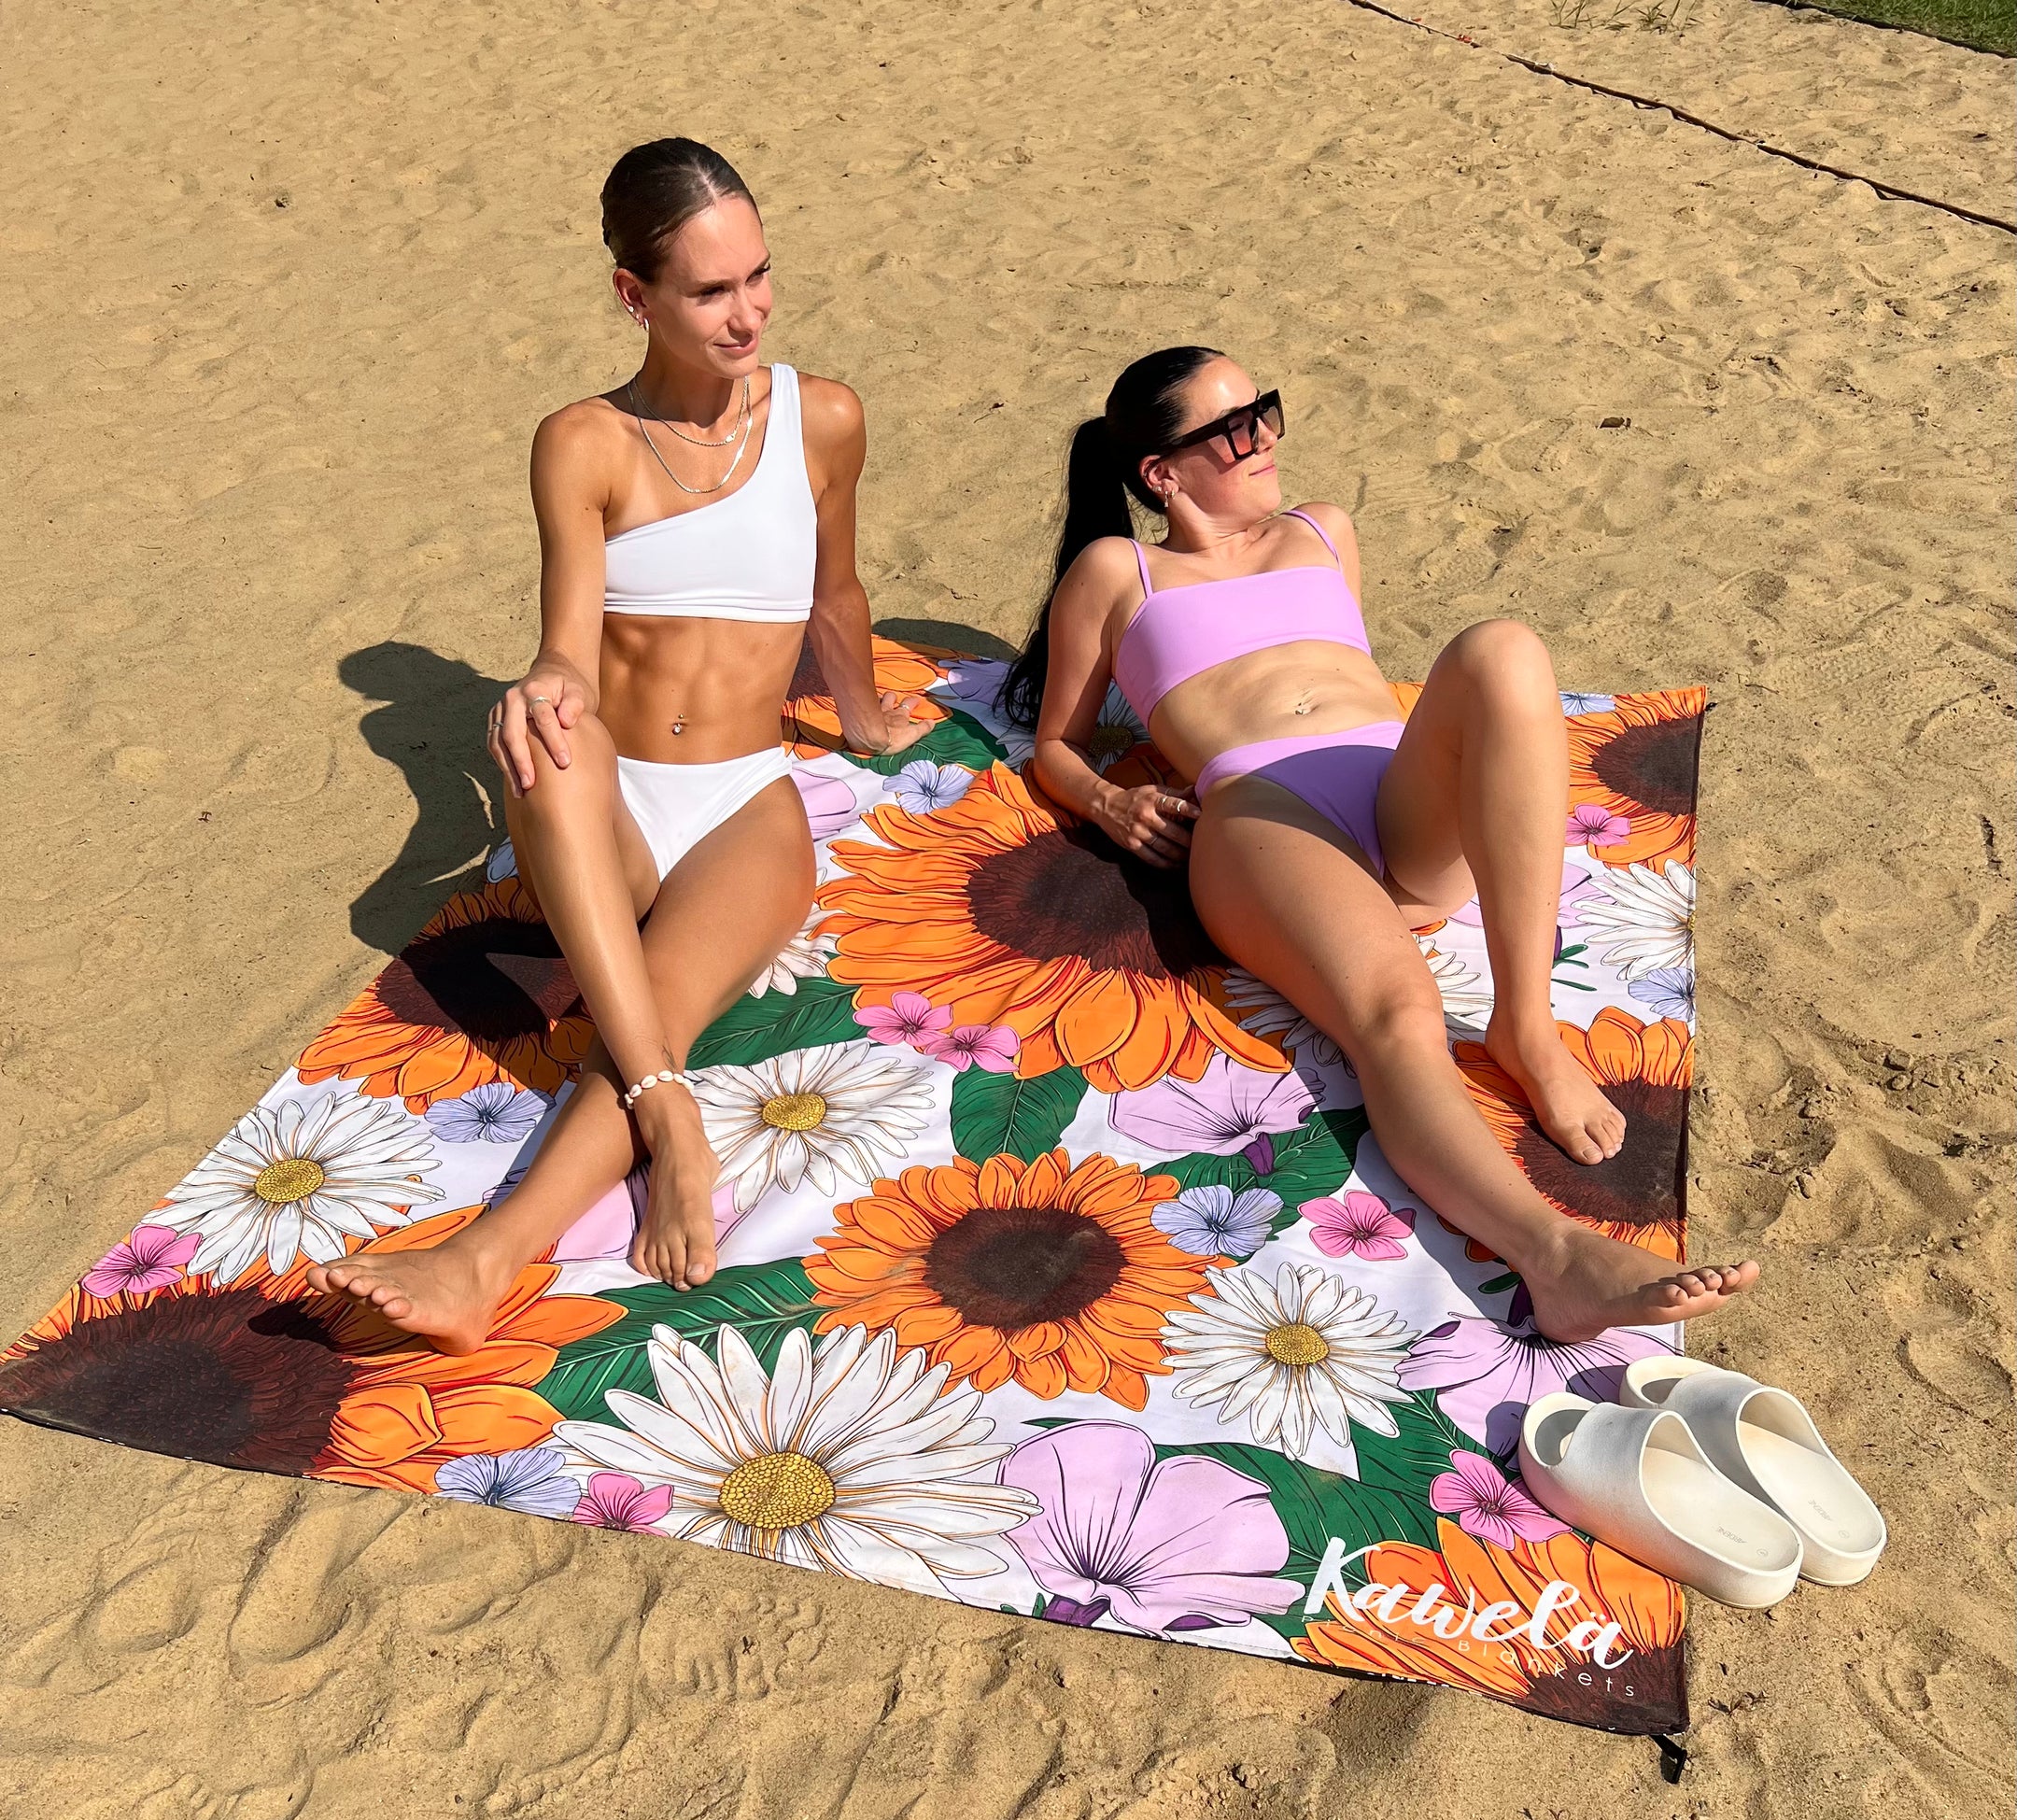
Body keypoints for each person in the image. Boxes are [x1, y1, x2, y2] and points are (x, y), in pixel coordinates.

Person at [309, 138, 929, 1351]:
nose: (748, 314)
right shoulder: (584, 441)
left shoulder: (823, 421)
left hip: (743, 802)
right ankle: (673, 1123)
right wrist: (542, 686)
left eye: (758, 276)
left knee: (655, 1004)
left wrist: (862, 719)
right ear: (633, 295)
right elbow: (568, 653)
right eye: (710, 292)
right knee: (548, 736)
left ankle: (483, 1261)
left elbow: (837, 593)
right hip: (613, 818)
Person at [1002, 346, 1756, 1343]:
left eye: (1265, 412)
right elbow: (1054, 744)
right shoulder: (1119, 572)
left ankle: (1524, 1026)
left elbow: (1342, 669)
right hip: (1265, 812)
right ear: (1162, 474)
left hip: (1394, 796)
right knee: (1400, 1013)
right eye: (1234, 430)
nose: (1265, 439)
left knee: (1504, 647)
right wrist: (1107, 800)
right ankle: (1555, 1256)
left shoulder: (1324, 528)